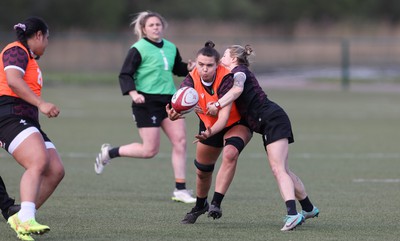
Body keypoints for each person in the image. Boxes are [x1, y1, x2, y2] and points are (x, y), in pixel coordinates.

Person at [206, 44, 319, 231]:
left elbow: (237, 90)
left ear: (234, 58)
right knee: (283, 170)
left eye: (225, 54)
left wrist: (217, 104)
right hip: (270, 121)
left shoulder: (239, 72)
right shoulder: (233, 73)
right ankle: (308, 208)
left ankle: (292, 215)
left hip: (272, 119)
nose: (221, 58)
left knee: (278, 169)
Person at [94, 11, 196, 203]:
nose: (156, 27)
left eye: (158, 24)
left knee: (180, 141)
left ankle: (180, 189)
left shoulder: (171, 47)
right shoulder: (138, 48)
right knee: (150, 151)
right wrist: (133, 93)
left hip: (170, 101)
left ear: (163, 27)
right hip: (146, 102)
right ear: (143, 29)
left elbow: (176, 68)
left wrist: (188, 68)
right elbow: (125, 74)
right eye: (151, 25)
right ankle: (110, 152)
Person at [166, 41, 252, 224]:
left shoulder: (226, 78)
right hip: (208, 126)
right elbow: (181, 101)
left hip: (235, 123)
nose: (204, 69)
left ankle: (216, 203)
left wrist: (209, 132)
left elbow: (223, 117)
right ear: (196, 63)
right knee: (202, 172)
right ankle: (200, 205)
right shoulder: (191, 78)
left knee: (230, 154)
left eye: (209, 65)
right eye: (201, 64)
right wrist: (175, 113)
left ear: (218, 64)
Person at [0, 17, 65, 241]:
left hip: (26, 119)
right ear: (38, 35)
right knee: (38, 160)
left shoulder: (29, 58)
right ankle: (26, 218)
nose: (47, 43)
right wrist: (41, 103)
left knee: (56, 170)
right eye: (47, 38)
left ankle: (22, 218)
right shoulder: (16, 50)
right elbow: (13, 81)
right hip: (8, 116)